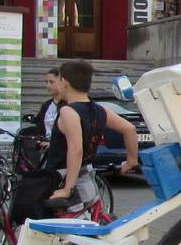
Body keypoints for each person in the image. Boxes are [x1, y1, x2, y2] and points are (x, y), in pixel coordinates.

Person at [43, 59, 138, 207]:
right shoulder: (100, 109)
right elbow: (130, 129)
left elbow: (76, 150)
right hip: (88, 178)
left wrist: (68, 189)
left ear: (64, 82)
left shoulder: (68, 111)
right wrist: (131, 161)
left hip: (64, 178)